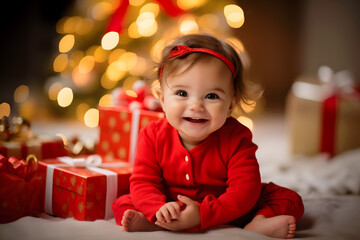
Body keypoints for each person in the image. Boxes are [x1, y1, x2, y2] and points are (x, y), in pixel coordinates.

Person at [112, 34, 304, 239]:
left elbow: (244, 191)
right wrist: (157, 208)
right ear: (162, 98)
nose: (196, 106)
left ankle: (258, 223)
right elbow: (143, 182)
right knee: (123, 202)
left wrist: (202, 215)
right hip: (170, 203)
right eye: (182, 93)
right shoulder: (152, 135)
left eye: (211, 96)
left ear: (230, 105)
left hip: (225, 206)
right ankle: (158, 221)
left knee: (289, 199)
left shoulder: (236, 138)